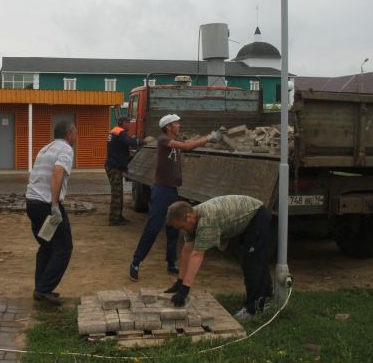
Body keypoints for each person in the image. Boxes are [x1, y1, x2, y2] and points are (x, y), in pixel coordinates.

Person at [128, 114, 221, 281]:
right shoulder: (163, 140)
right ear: (168, 127)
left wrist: (208, 136)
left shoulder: (174, 140)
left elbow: (187, 144)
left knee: (174, 228)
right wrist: (209, 138)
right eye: (176, 123)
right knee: (153, 227)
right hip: (161, 190)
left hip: (172, 190)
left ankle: (171, 262)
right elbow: (187, 147)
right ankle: (136, 262)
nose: (179, 125)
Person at [165, 195, 274, 322]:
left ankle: (253, 309)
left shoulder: (206, 220)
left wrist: (185, 289)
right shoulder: (192, 217)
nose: (182, 230)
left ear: (188, 217)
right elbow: (187, 250)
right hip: (248, 219)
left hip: (257, 216)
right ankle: (266, 294)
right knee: (253, 260)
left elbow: (197, 255)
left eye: (181, 227)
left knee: (252, 264)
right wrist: (180, 282)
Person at [25, 120, 77, 305]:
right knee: (64, 247)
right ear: (69, 133)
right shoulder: (65, 149)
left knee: (47, 245)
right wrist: (55, 206)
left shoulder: (45, 148)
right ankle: (44, 288)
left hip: (32, 202)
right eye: (75, 132)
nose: (76, 136)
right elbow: (57, 173)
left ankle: (41, 288)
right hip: (47, 204)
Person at [105, 116, 141, 226]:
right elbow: (131, 142)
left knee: (118, 192)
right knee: (117, 193)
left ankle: (118, 216)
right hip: (114, 167)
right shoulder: (120, 132)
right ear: (124, 123)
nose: (130, 125)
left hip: (113, 165)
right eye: (129, 123)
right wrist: (141, 141)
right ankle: (114, 219)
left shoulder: (114, 131)